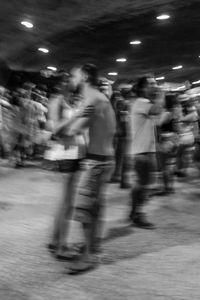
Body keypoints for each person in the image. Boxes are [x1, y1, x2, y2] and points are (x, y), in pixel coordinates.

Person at [62, 64, 116, 274]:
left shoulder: (92, 99)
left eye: (73, 76)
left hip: (96, 162)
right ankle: (92, 247)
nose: (71, 79)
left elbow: (73, 130)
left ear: (84, 76)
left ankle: (89, 257)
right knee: (95, 208)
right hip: (105, 159)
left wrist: (70, 119)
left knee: (85, 211)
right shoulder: (102, 98)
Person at [47, 86, 86, 258]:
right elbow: (55, 129)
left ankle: (55, 241)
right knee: (67, 202)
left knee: (66, 200)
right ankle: (62, 247)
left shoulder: (72, 100)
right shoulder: (57, 101)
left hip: (76, 151)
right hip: (66, 152)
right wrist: (76, 118)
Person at [128, 75, 162, 229]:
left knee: (141, 184)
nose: (154, 86)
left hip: (145, 150)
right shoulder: (142, 102)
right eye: (151, 84)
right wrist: (161, 95)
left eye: (155, 83)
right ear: (142, 88)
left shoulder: (142, 103)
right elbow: (157, 109)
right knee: (145, 185)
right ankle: (138, 214)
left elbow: (157, 119)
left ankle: (134, 212)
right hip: (143, 152)